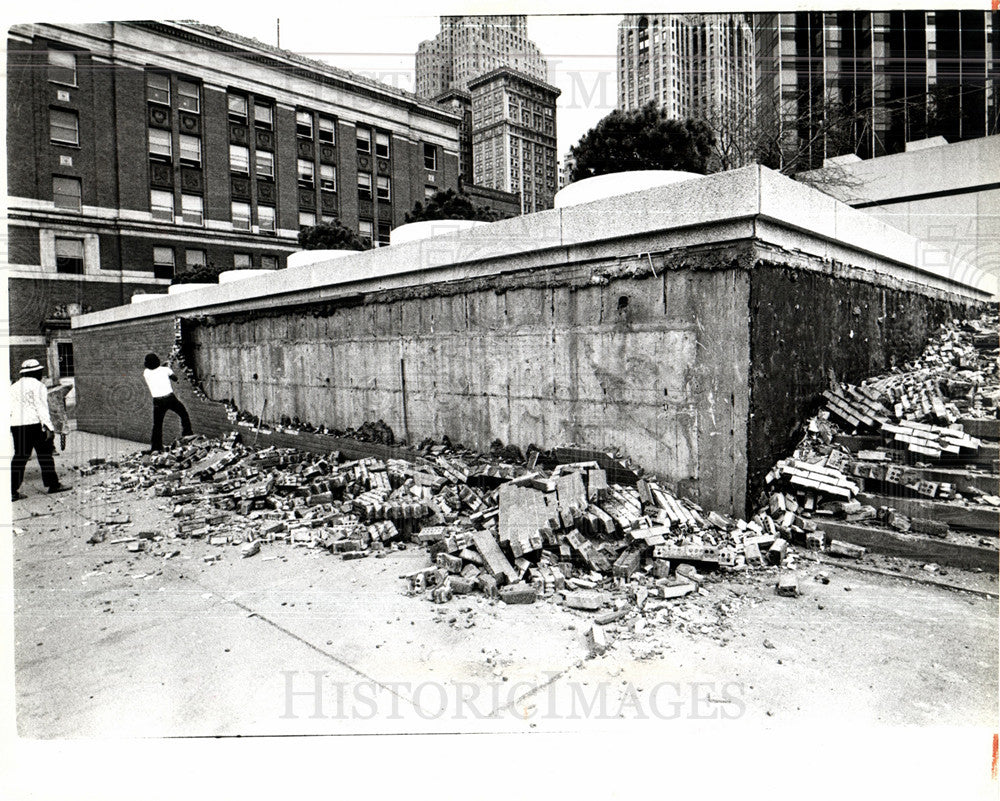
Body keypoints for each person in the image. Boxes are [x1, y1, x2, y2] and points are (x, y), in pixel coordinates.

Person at [10, 358, 70, 499]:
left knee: (20, 457)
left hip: (17, 426)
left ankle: (12, 491)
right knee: (45, 456)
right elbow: (41, 408)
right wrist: (49, 428)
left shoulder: (13, 387)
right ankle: (53, 484)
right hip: (35, 425)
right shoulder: (38, 386)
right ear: (36, 372)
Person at [142, 353, 192, 452]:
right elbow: (175, 378)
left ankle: (156, 447)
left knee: (157, 425)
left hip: (157, 402)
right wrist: (168, 368)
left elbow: (156, 370)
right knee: (183, 414)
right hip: (170, 398)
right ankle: (187, 434)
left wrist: (165, 367)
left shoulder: (146, 372)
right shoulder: (166, 370)